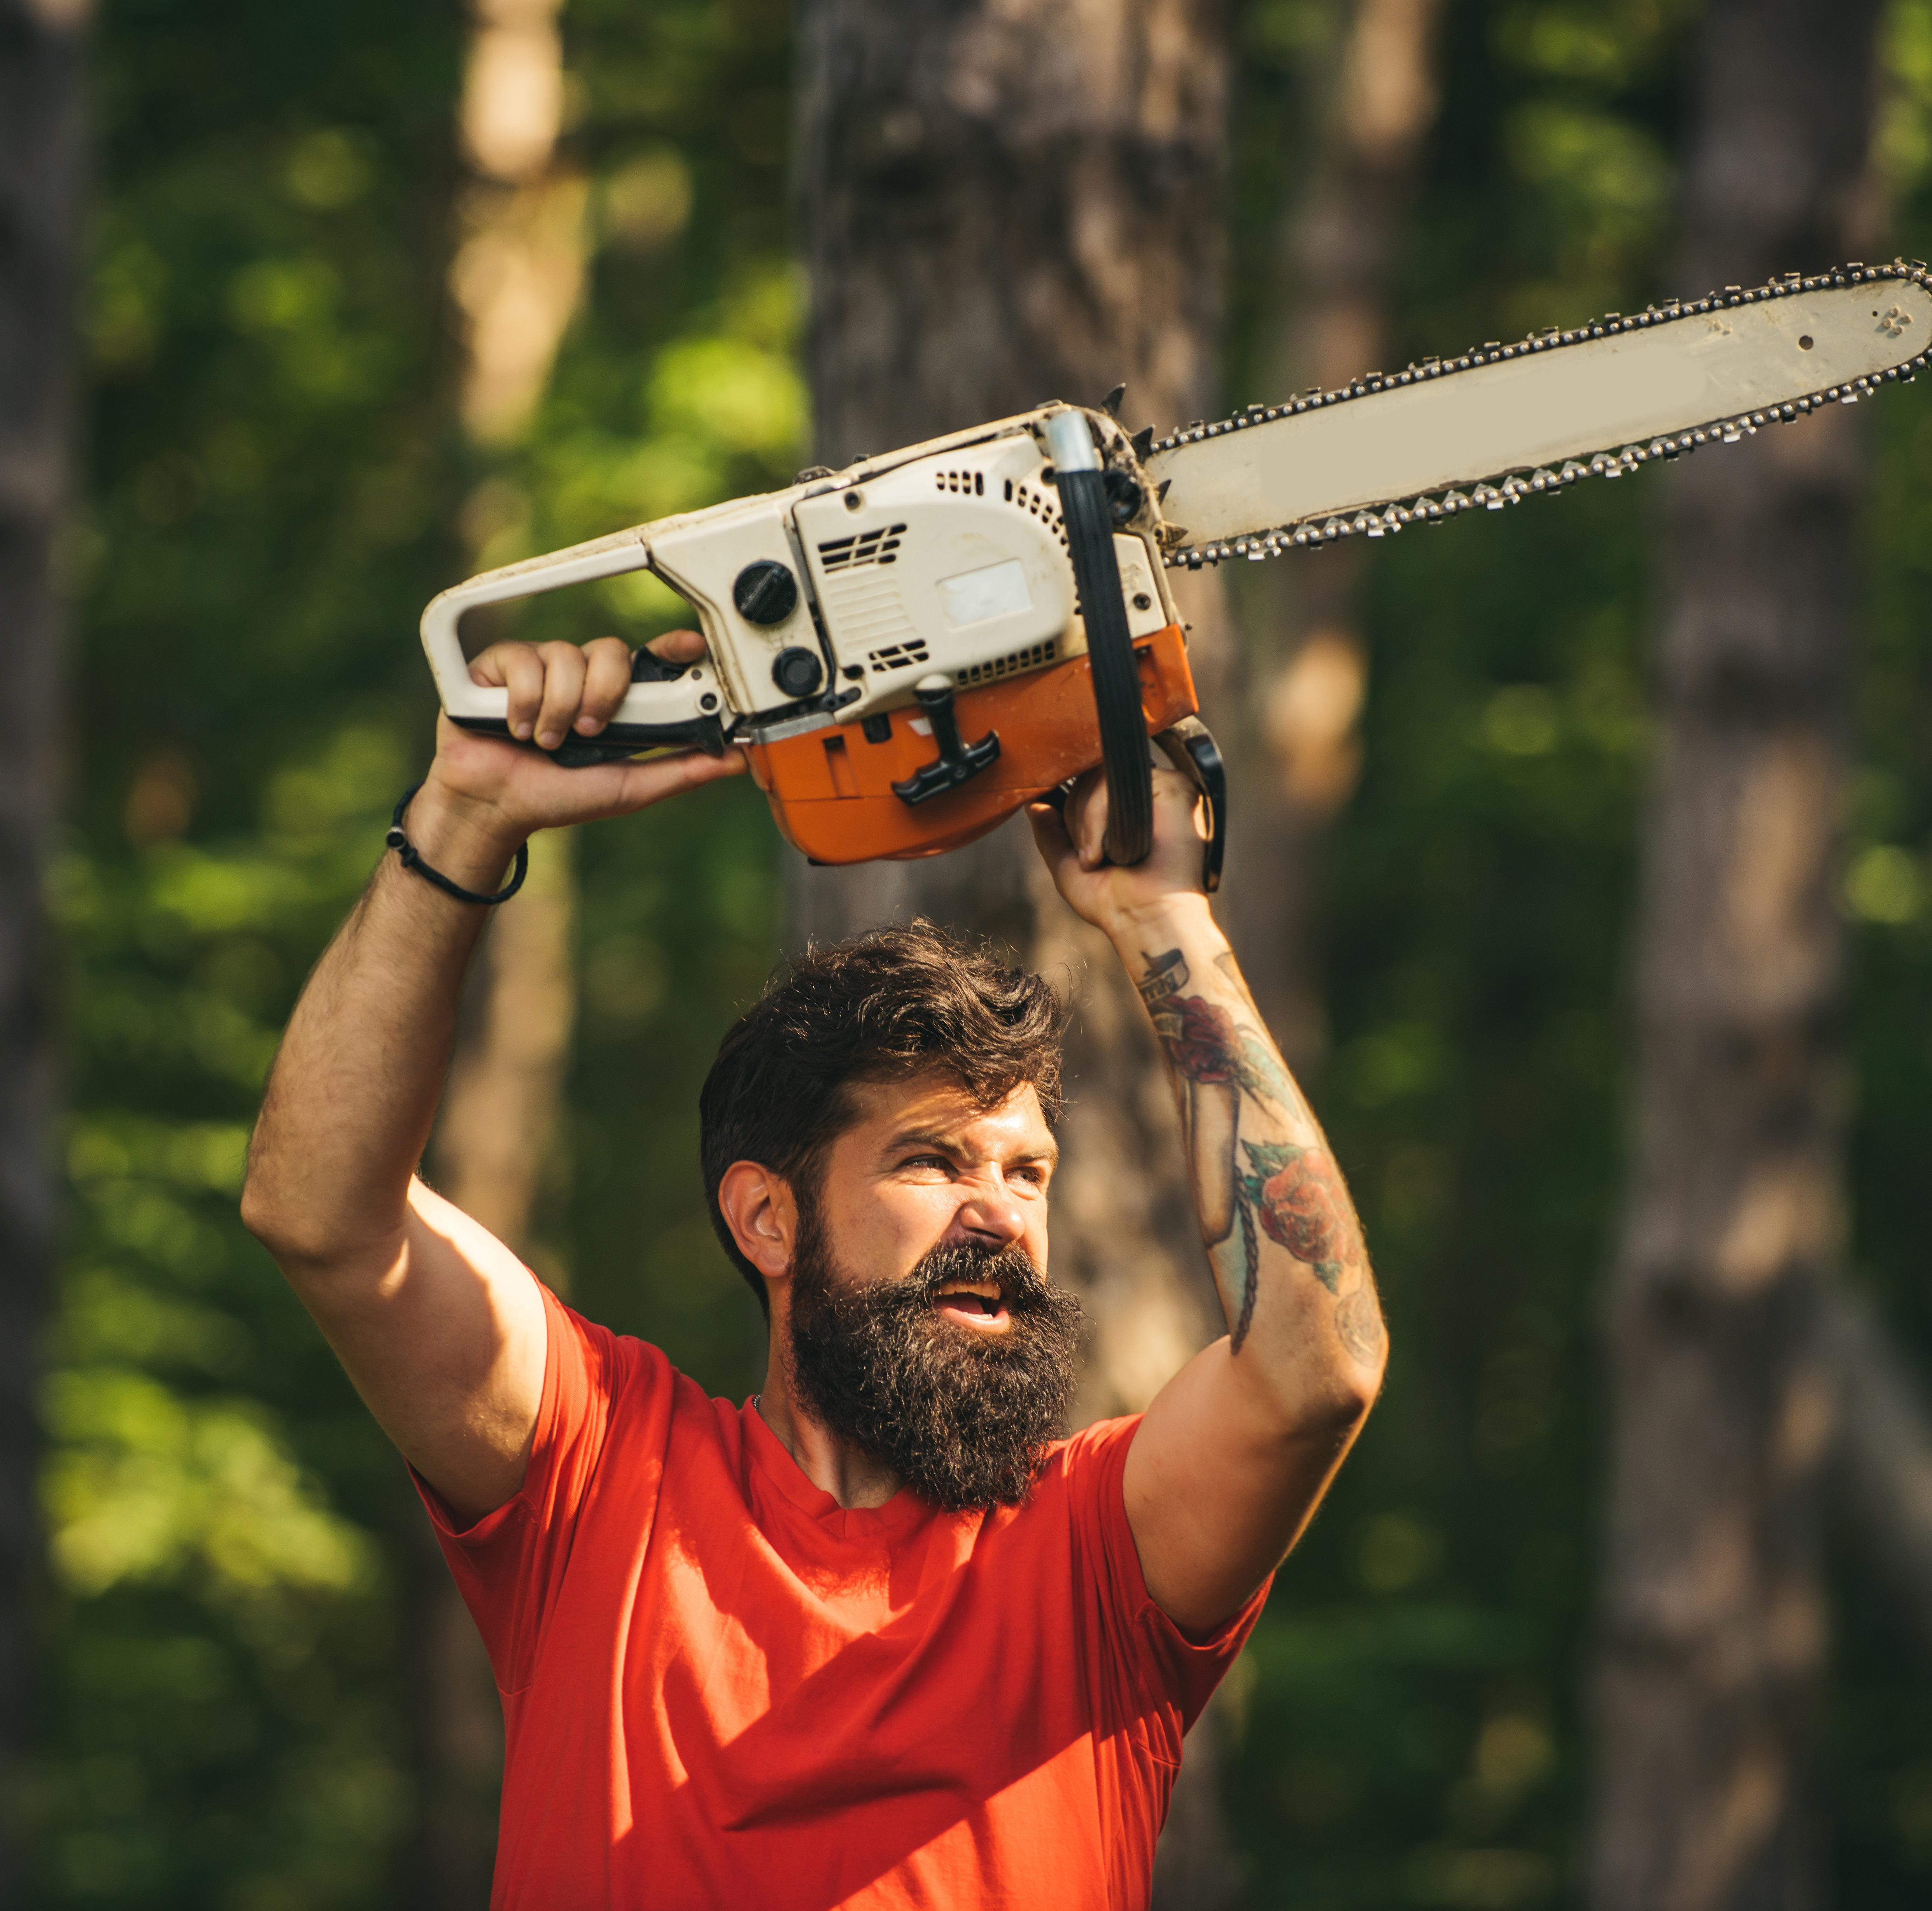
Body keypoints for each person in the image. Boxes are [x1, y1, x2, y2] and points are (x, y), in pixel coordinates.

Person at [242, 626, 1387, 1908]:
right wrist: (461, 818)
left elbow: (1318, 1365)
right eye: (934, 1160)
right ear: (766, 1221)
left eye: (1028, 1171)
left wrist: (1162, 917)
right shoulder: (604, 1476)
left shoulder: (1092, 1555)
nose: (1001, 1213)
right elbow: (323, 1217)